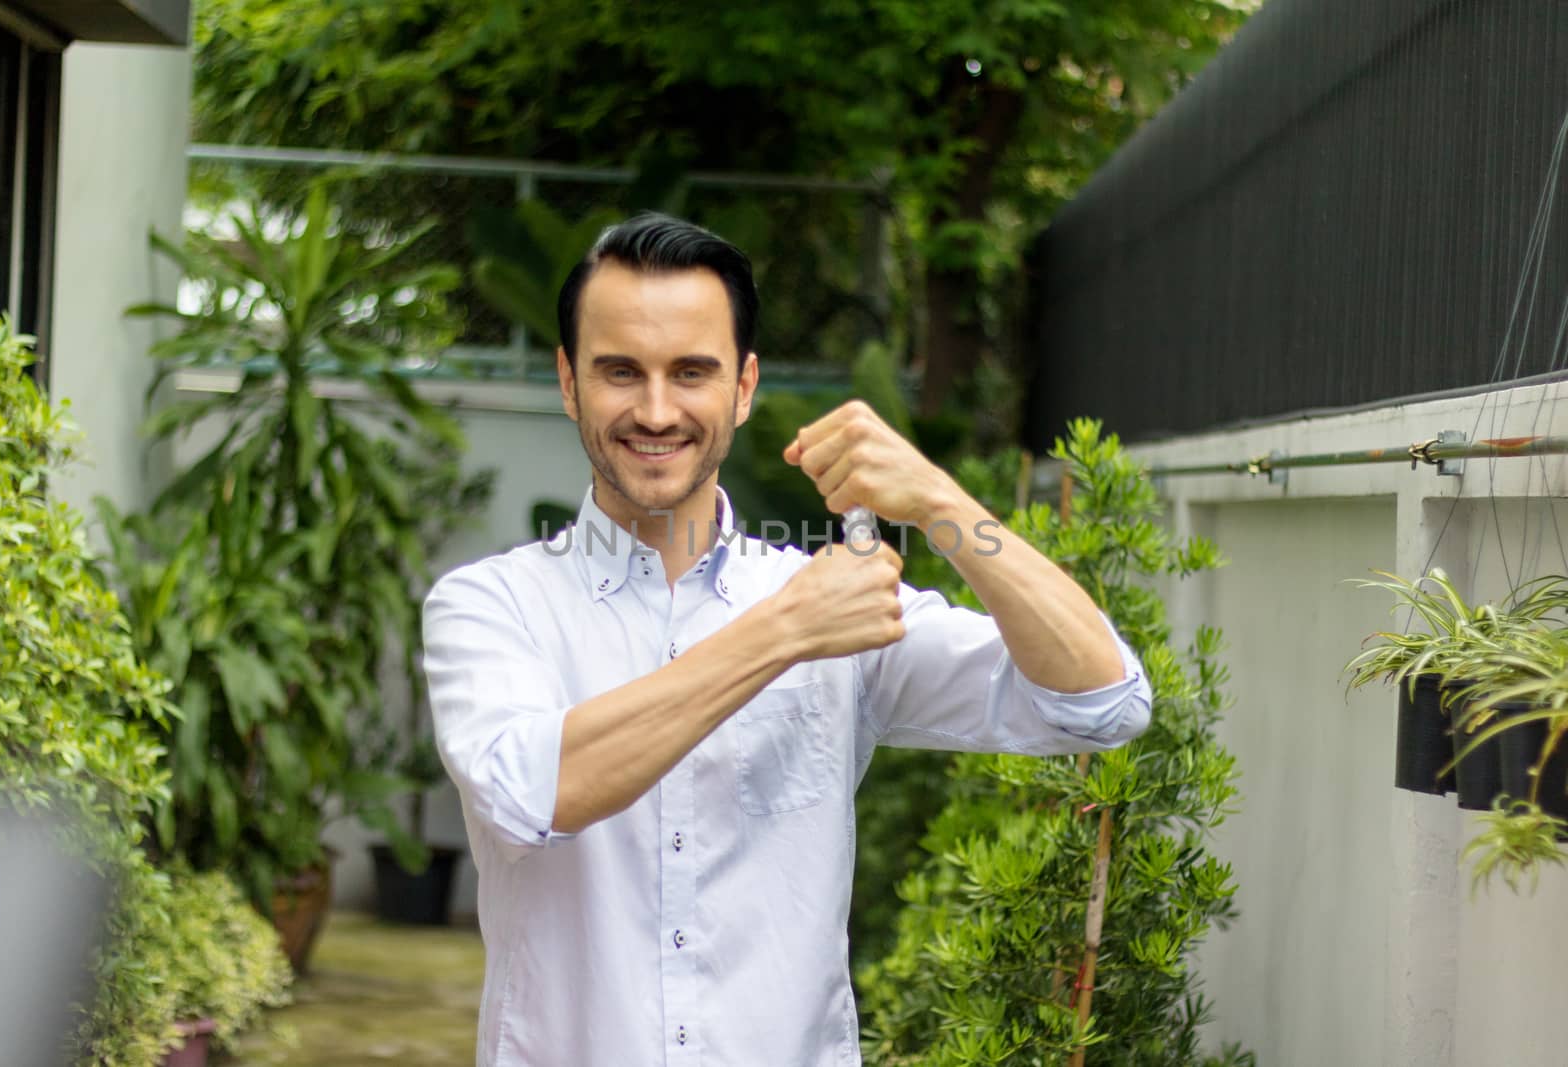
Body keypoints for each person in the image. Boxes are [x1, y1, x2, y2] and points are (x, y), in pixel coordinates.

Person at [422, 212, 1151, 1067]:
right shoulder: (490, 605)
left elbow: (1104, 703)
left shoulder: (836, 607)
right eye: (621, 371)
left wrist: (944, 507)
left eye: (692, 371)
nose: (656, 410)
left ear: (744, 386)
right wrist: (783, 632)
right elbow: (526, 793)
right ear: (569, 381)